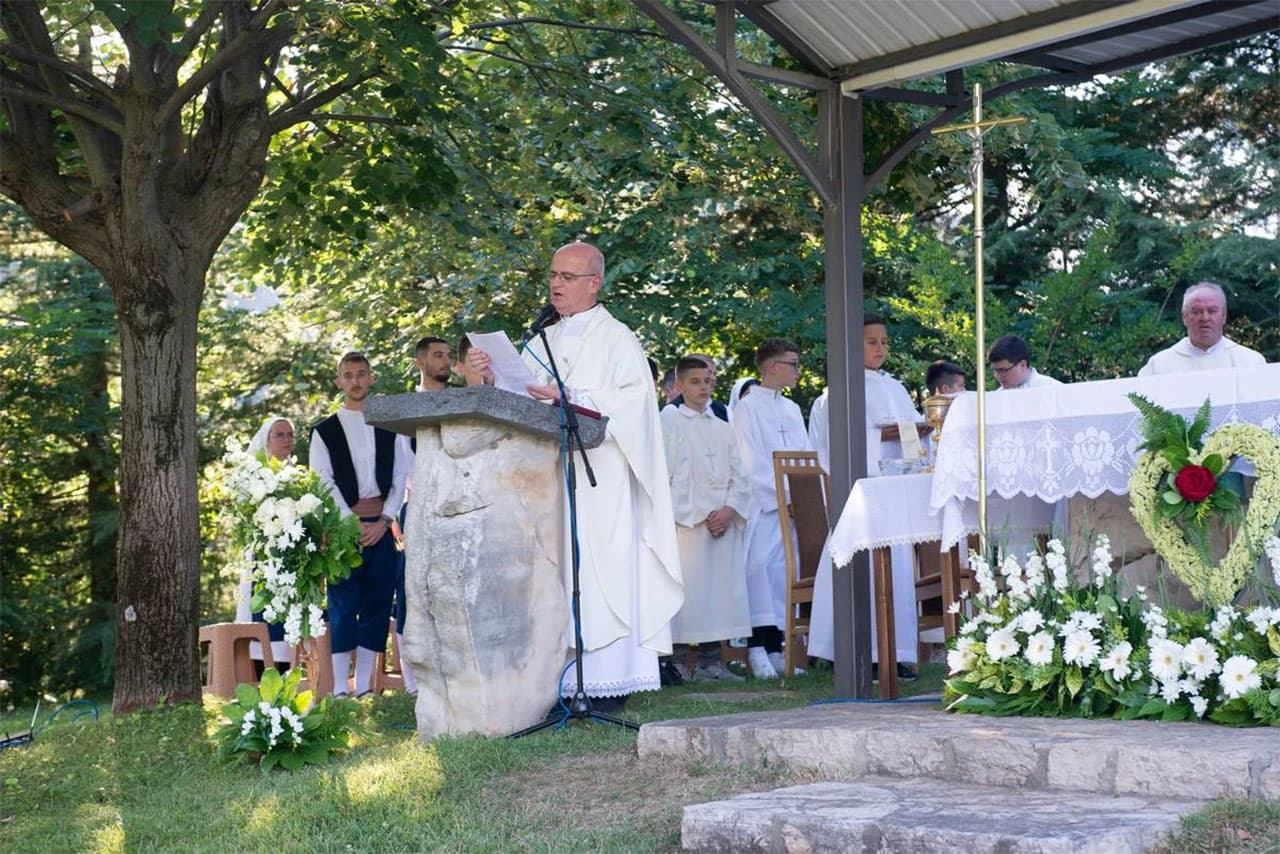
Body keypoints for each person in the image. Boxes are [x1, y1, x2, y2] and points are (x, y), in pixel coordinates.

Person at [466, 241, 683, 713]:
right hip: (547, 479)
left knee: (599, 575)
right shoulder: (542, 338)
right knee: (553, 574)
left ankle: (608, 684)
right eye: (553, 275)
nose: (556, 284)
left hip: (600, 480)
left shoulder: (618, 338)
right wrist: (489, 378)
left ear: (594, 283)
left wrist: (574, 395)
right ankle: (553, 685)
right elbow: (519, 396)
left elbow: (635, 404)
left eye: (567, 277)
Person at [808, 315, 924, 676]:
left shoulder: (895, 387)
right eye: (872, 342)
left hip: (894, 490)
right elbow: (836, 445)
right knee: (858, 568)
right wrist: (884, 436)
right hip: (857, 493)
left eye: (884, 342)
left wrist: (919, 434)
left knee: (897, 570)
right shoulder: (838, 392)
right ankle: (845, 648)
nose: (880, 348)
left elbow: (915, 434)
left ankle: (893, 650)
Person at [310, 352, 413, 698]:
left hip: (382, 525)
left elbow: (400, 475)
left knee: (378, 601)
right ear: (339, 381)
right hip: (344, 528)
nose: (355, 381)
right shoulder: (324, 431)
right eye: (348, 375)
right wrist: (349, 522)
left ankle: (365, 686)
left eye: (361, 374)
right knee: (343, 603)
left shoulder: (389, 426)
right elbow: (323, 480)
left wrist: (385, 519)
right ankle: (341, 686)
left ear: (371, 378)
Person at [661, 356, 752, 682]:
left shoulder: (722, 424)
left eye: (708, 381)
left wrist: (728, 511)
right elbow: (665, 472)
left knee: (718, 594)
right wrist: (699, 514)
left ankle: (712, 662)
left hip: (720, 523)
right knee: (686, 592)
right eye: (695, 381)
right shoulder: (669, 419)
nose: (703, 387)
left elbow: (740, 474)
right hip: (686, 523)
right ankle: (678, 663)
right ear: (680, 385)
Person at [732, 338, 811, 679]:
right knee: (759, 570)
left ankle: (777, 648)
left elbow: (805, 455)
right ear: (772, 367)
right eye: (793, 364)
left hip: (792, 507)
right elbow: (750, 460)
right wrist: (782, 496)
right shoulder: (748, 408)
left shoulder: (791, 409)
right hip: (764, 506)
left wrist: (803, 496)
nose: (798, 371)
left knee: (784, 574)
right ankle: (756, 648)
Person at [237, 415, 297, 673]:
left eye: (290, 434)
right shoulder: (255, 475)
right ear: (267, 440)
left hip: (293, 556)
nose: (286, 440)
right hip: (265, 557)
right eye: (279, 435)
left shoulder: (297, 475)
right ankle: (266, 674)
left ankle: (292, 674)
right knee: (266, 610)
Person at [1138, 282, 1265, 376]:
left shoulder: (1251, 362)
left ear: (1224, 316)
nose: (1205, 318)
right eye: (1196, 311)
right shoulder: (1158, 366)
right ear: (1185, 317)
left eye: (1212, 311)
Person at [666, 354, 730, 423]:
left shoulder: (723, 410)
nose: (713, 378)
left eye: (714, 373)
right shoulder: (672, 411)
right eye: (709, 373)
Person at [987, 334, 1061, 390]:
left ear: (1023, 365)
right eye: (995, 370)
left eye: (1003, 370)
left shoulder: (1054, 389)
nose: (998, 376)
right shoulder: (996, 398)